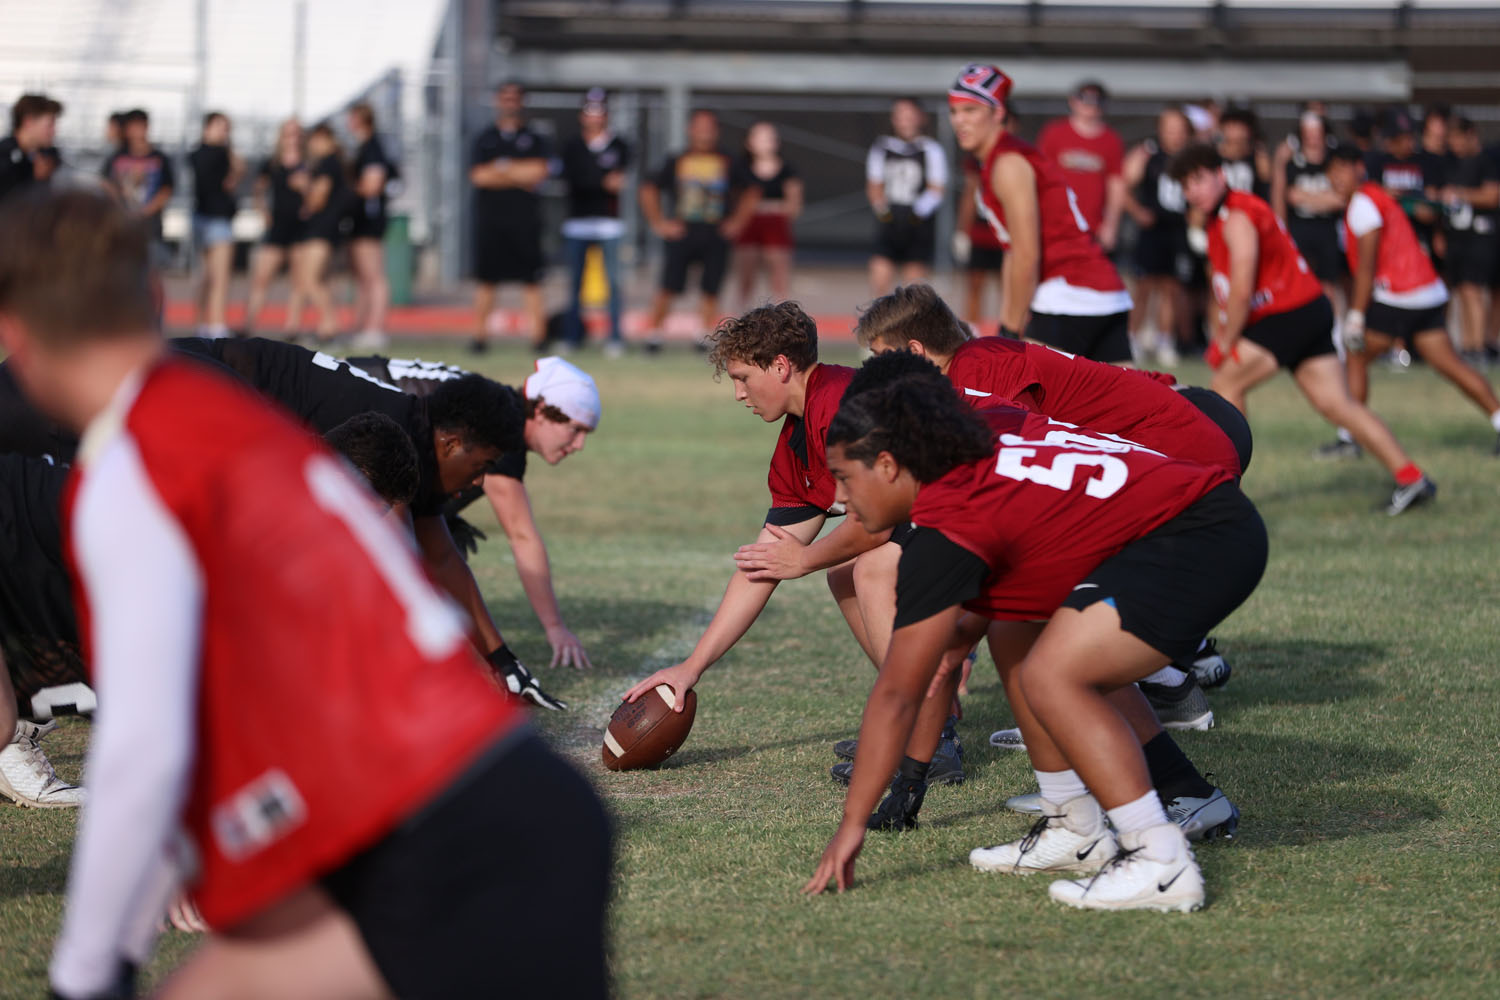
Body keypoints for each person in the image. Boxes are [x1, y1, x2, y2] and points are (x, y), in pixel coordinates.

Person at [0, 187, 611, 1000]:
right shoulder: (236, 418)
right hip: (502, 803)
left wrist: (85, 972)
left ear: (15, 335)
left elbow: (143, 747)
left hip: (446, 835)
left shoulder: (138, 466)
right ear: (153, 298)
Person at [801, 361, 1266, 913]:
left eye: (846, 477)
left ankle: (1159, 860)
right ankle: (1073, 825)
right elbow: (947, 654)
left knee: (1055, 676)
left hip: (1198, 534)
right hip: (1202, 519)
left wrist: (852, 822)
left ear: (888, 463)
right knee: (1013, 625)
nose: (839, 498)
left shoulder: (950, 526)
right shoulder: (985, 433)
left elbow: (899, 692)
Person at [622, 301, 964, 784]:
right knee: (845, 574)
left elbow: (879, 525)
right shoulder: (797, 435)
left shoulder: (846, 402)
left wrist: (803, 559)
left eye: (743, 378)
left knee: (869, 569)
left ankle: (933, 739)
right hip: (943, 517)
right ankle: (915, 716)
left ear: (781, 366)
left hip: (983, 508)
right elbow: (764, 562)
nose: (739, 393)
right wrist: (691, 667)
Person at [1170, 144, 1437, 515]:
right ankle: (1412, 477)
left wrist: (1224, 341)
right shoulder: (1224, 215)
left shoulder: (1236, 215)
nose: (1193, 191)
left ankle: (1228, 498)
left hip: (1287, 314)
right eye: (1186, 185)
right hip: (1307, 310)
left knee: (1227, 384)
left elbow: (1243, 287)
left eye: (1199, 179)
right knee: (1338, 405)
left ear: (1220, 175)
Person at [347, 354, 603, 670]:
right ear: (539, 410)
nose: (578, 444)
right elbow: (522, 536)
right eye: (575, 428)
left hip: (362, 399)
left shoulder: (497, 408)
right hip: (348, 407)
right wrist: (555, 628)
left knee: (433, 543)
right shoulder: (499, 429)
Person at [949, 64, 1133, 364]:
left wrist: (1009, 328)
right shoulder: (1006, 157)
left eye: (970, 110)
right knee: (1131, 407)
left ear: (998, 113)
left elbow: (1026, 255)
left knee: (1018, 403)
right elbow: (1014, 251)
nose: (959, 121)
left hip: (1067, 293)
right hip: (1103, 292)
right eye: (954, 112)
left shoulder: (1007, 163)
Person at [1324, 146, 1500, 453]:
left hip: (1400, 295)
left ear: (1358, 168)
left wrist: (1356, 315)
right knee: (1453, 367)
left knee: (1355, 356)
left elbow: (1366, 268)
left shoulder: (1363, 203)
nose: (1336, 178)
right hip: (1425, 293)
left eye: (1342, 169)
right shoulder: (1374, 195)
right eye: (1331, 172)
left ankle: (1351, 438)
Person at [639, 108, 759, 351]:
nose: (705, 134)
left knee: (711, 286)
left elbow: (752, 190)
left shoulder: (728, 160)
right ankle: (655, 335)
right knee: (668, 285)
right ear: (690, 130)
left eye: (709, 128)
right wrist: (659, 222)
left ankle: (702, 335)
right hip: (683, 232)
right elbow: (649, 188)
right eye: (700, 127)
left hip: (715, 233)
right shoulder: (677, 159)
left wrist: (737, 222)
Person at [470, 81, 552, 353]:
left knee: (531, 280)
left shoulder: (535, 138)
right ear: (498, 101)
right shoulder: (485, 138)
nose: (510, 103)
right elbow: (479, 176)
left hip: (525, 221)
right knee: (487, 279)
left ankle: (538, 337)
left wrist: (501, 169)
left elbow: (539, 172)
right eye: (505, 97)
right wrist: (518, 173)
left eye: (515, 98)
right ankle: (480, 337)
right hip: (492, 220)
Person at [559, 88, 630, 355]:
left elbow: (616, 182)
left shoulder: (619, 144)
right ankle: (572, 336)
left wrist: (590, 179)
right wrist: (599, 180)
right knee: (575, 284)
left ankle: (614, 337)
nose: (595, 117)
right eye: (590, 111)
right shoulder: (572, 146)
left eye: (600, 111)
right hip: (577, 223)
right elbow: (575, 180)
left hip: (609, 224)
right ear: (582, 115)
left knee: (613, 283)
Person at [1124, 107, 1193, 366]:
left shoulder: (1190, 157)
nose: (1174, 135)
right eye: (1170, 129)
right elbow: (1125, 185)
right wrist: (1137, 211)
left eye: (1179, 129)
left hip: (1178, 230)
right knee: (1143, 286)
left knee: (1171, 289)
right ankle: (1134, 338)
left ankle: (1165, 339)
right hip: (1152, 231)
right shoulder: (1148, 154)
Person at [866, 97, 948, 296]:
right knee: (880, 276)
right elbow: (874, 186)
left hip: (917, 219)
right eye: (900, 116)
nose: (905, 121)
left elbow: (936, 188)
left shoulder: (930, 149)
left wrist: (917, 212)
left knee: (914, 288)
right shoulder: (883, 147)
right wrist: (883, 211)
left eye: (910, 116)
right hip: (891, 217)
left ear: (920, 118)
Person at [1036, 80, 1125, 251]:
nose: (1090, 105)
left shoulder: (1111, 140)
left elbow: (1116, 184)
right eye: (1084, 98)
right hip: (1057, 223)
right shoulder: (1054, 133)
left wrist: (1111, 225)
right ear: (1073, 101)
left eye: (1097, 100)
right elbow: (1041, 176)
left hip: (1093, 227)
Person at [1439, 118, 1499, 366]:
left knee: (1473, 290)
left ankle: (1478, 346)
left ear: (1470, 134)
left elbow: (1492, 195)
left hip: (1481, 236)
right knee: (1463, 290)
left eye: (1457, 138)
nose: (1454, 144)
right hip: (1457, 237)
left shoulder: (1487, 160)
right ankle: (1467, 345)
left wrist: (1460, 194)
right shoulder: (1450, 162)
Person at [1271, 110, 1346, 306]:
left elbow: (1339, 198)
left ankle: (1333, 328)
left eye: (1317, 132)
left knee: (1329, 283)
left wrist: (1306, 197)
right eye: (1308, 133)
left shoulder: (1333, 161)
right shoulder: (1292, 164)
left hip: (1328, 230)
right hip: (1300, 229)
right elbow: (1287, 196)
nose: (1313, 138)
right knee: (1300, 279)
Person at [244, 119, 309, 338]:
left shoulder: (308, 164)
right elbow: (258, 190)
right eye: (289, 134)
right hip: (278, 226)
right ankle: (249, 324)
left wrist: (306, 188)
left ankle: (293, 326)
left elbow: (319, 194)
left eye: (297, 134)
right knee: (262, 277)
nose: (293, 139)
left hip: (301, 227)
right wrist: (263, 212)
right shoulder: (272, 163)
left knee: (299, 280)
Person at [345, 102, 399, 351]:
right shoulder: (363, 147)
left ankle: (375, 328)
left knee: (374, 275)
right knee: (362, 276)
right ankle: (361, 326)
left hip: (370, 219)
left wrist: (343, 191)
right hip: (359, 220)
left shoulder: (372, 148)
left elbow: (372, 185)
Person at [188, 112, 243, 339]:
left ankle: (211, 324)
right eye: (219, 127)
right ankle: (210, 324)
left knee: (216, 275)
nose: (224, 132)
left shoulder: (213, 153)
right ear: (207, 128)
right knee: (209, 276)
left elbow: (234, 178)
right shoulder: (209, 154)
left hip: (214, 217)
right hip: (209, 217)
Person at [734, 121, 802, 306]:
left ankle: (784, 317)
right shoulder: (740, 168)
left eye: (770, 138)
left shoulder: (787, 169)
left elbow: (794, 202)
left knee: (779, 274)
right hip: (749, 224)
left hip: (776, 224)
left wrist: (774, 209)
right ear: (749, 142)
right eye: (761, 138)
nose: (766, 143)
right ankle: (742, 316)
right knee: (746, 274)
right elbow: (736, 200)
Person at [294, 122, 350, 345]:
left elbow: (318, 198)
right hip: (323, 228)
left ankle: (330, 324)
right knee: (320, 279)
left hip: (322, 229)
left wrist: (303, 187)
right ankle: (326, 327)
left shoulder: (328, 164)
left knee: (310, 279)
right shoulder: (329, 164)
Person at [100, 109, 174, 258]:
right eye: (133, 127)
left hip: (150, 226)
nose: (138, 131)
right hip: (121, 223)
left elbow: (167, 189)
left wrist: (144, 212)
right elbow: (107, 185)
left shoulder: (160, 158)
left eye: (141, 126)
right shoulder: (116, 156)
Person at [953, 153, 1006, 329]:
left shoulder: (1012, 158)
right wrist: (962, 230)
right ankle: (972, 331)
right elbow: (970, 196)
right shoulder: (976, 161)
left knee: (1008, 289)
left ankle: (1009, 332)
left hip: (1005, 234)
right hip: (981, 232)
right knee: (974, 286)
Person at [0, 93, 63, 204]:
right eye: (50, 125)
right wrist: (33, 179)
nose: (54, 132)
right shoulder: (4, 157)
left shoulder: (48, 156)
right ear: (28, 122)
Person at [1217, 108, 1271, 200]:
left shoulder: (1257, 155)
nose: (1237, 132)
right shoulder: (1214, 157)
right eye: (1232, 126)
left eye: (1241, 127)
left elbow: (1267, 177)